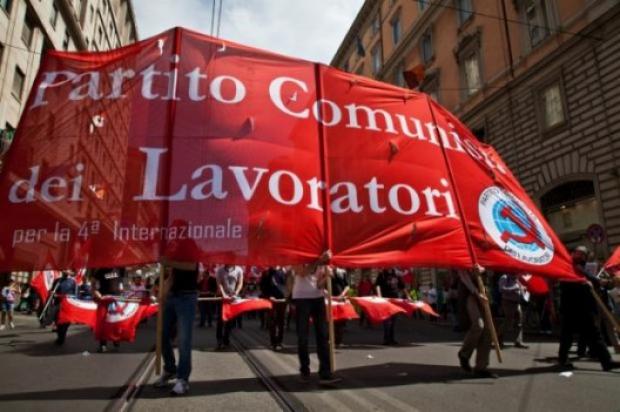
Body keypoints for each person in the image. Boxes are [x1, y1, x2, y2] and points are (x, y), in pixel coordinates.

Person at [558, 246, 619, 371]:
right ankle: (562, 360)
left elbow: (590, 279)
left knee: (595, 335)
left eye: (583, 254)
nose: (580, 256)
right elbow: (567, 282)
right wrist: (586, 283)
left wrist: (598, 282)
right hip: (570, 309)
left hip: (585, 309)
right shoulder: (567, 266)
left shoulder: (582, 269)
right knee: (567, 336)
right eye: (578, 253)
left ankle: (607, 362)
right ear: (573, 254)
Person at [291, 252, 340, 384]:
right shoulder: (298, 256)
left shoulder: (322, 263)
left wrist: (327, 276)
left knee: (323, 335)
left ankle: (325, 372)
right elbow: (302, 273)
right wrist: (318, 261)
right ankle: (304, 370)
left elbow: (318, 285)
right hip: (301, 298)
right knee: (303, 336)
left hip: (317, 298)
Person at [154, 259, 200, 395]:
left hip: (187, 297)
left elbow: (191, 265)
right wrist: (162, 294)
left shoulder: (191, 248)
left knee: (183, 340)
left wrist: (166, 261)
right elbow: (172, 277)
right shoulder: (173, 254)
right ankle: (170, 369)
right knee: (162, 334)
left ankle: (183, 379)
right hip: (171, 296)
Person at [457, 268, 497, 378]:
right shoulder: (464, 261)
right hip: (470, 294)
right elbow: (463, 276)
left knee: (488, 331)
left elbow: (491, 273)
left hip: (484, 292)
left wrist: (485, 270)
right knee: (479, 325)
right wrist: (476, 293)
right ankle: (464, 354)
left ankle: (481, 367)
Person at [91, 267, 124, 353]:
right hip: (104, 300)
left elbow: (132, 267)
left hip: (116, 300)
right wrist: (95, 292)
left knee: (116, 322)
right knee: (103, 323)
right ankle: (103, 345)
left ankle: (116, 340)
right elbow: (93, 283)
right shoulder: (101, 270)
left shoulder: (119, 268)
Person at [215, 265, 244, 350]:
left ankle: (226, 340)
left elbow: (240, 283)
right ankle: (219, 340)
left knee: (230, 321)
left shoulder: (239, 269)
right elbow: (219, 283)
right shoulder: (220, 270)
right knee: (220, 319)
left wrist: (236, 292)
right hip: (222, 298)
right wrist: (223, 294)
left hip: (232, 298)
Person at [498, 273, 528, 349]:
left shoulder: (517, 279)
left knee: (519, 321)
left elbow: (520, 288)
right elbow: (501, 289)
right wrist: (514, 288)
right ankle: (499, 338)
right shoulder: (504, 277)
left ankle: (518, 341)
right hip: (508, 302)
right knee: (508, 321)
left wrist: (523, 289)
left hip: (517, 302)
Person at [375, 268, 404, 345]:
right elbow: (377, 286)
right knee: (387, 320)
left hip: (395, 300)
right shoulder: (382, 274)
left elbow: (402, 286)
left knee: (393, 321)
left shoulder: (396, 274)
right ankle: (386, 339)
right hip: (385, 300)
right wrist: (379, 296)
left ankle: (391, 338)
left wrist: (408, 296)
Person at [262, 266, 287, 350]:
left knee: (281, 322)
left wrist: (287, 297)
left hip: (283, 300)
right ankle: (273, 342)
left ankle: (279, 341)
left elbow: (289, 285)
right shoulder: (267, 272)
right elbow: (263, 287)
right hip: (271, 300)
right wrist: (268, 296)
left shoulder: (284, 272)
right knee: (272, 321)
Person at [49, 271, 78, 345]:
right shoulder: (57, 281)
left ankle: (62, 335)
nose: (66, 271)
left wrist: (68, 297)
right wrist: (52, 293)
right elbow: (52, 291)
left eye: (68, 270)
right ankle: (60, 336)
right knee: (58, 321)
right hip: (58, 303)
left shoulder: (73, 282)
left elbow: (75, 295)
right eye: (65, 269)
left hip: (68, 304)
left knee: (66, 322)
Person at [331, 268, 350, 347]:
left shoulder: (342, 272)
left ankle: (339, 341)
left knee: (341, 321)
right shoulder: (326, 271)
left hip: (342, 299)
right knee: (332, 321)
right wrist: (331, 297)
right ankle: (331, 340)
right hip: (331, 300)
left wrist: (342, 295)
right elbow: (322, 288)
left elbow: (347, 286)